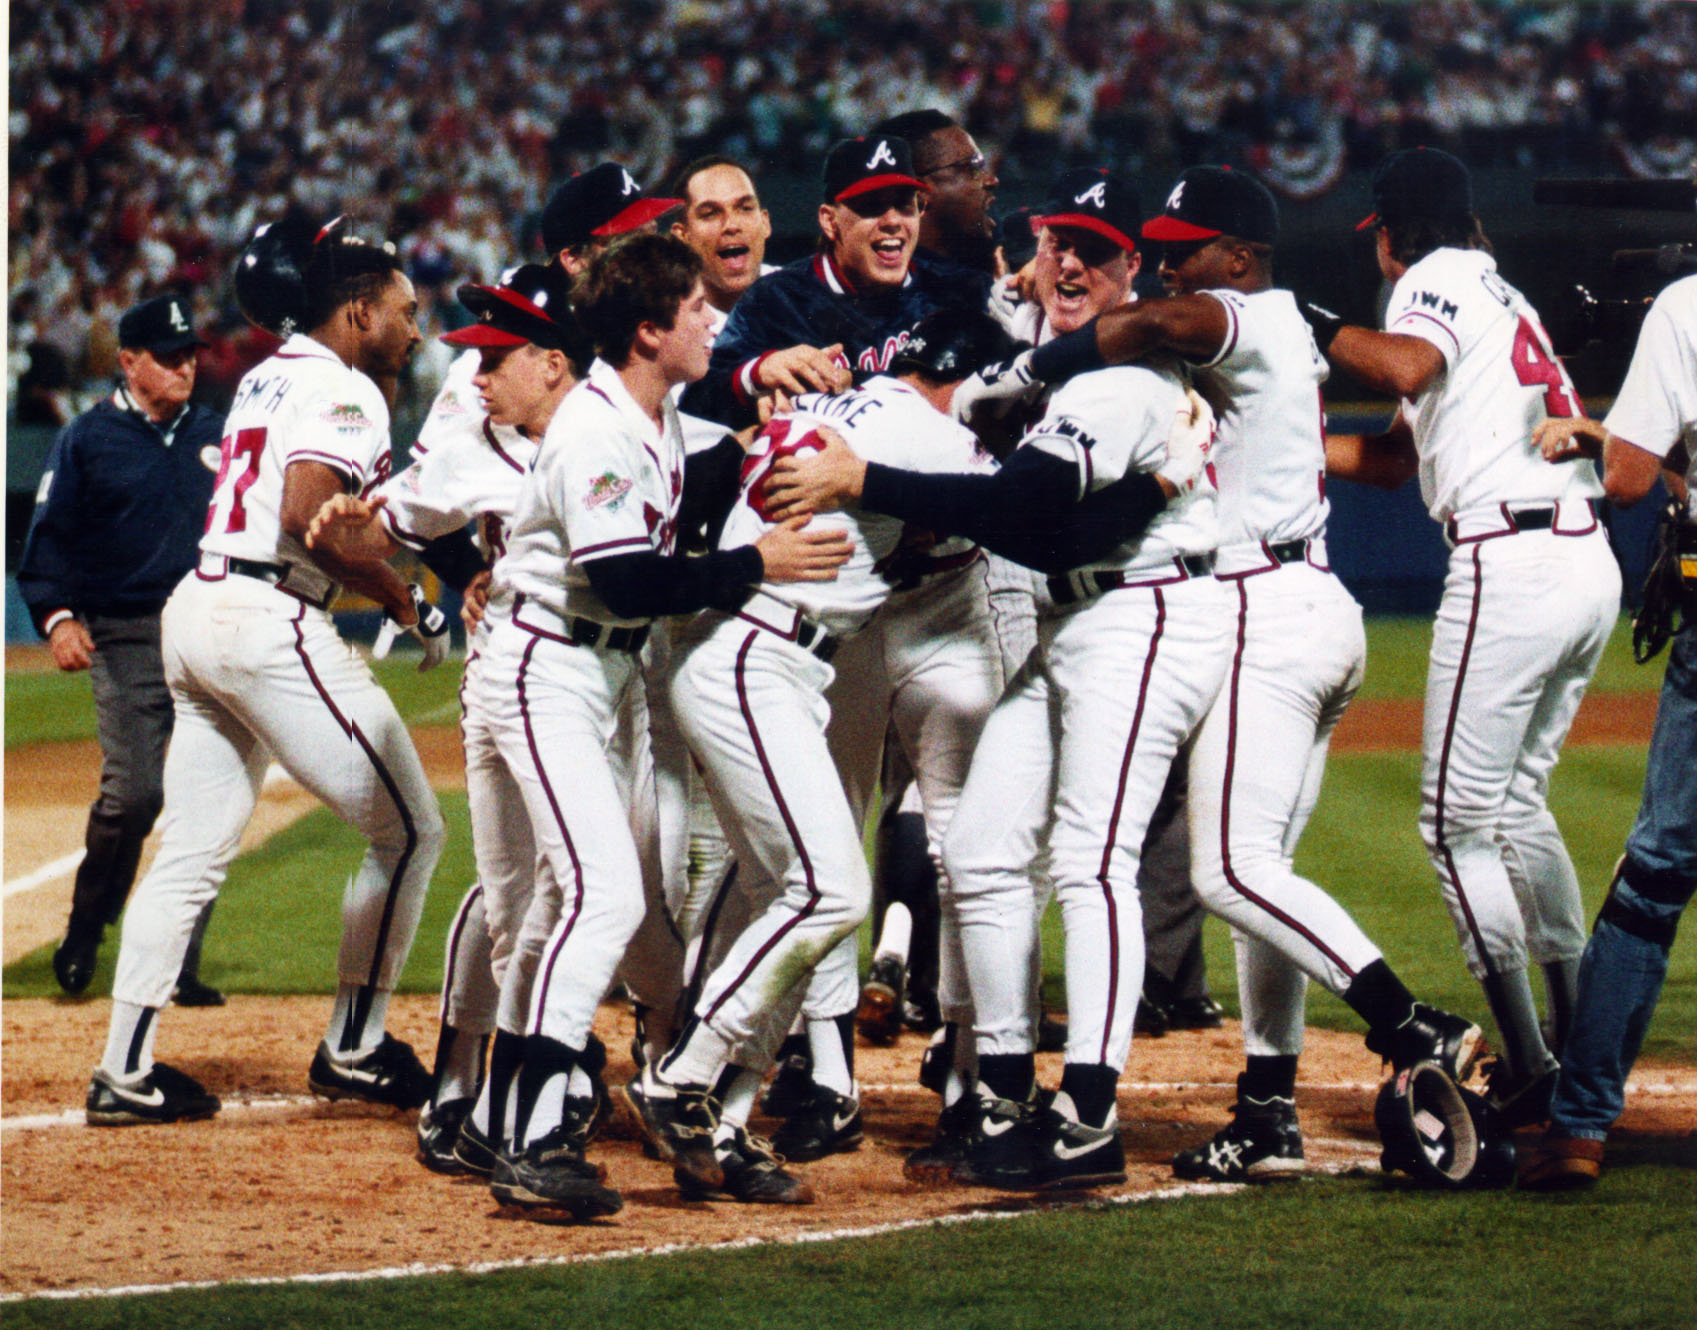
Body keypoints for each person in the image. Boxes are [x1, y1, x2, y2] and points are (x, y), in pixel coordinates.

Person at [988, 165, 1486, 1179]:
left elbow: (1139, 330)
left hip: (1265, 609)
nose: (1171, 258)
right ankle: (1266, 1106)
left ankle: (1411, 1025)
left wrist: (1026, 372)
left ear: (1242, 255)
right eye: (1164, 241)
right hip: (1306, 603)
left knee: (1226, 870)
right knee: (1265, 875)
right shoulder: (1271, 327)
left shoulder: (1243, 313)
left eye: (1191, 242)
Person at [763, 169, 1227, 1191]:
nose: (1066, 260)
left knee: (1091, 865)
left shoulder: (1119, 375)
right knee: (976, 847)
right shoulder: (1049, 359)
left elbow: (1023, 510)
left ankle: (1083, 1116)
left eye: (1092, 250)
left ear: (1132, 269)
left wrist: (863, 479)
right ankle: (997, 1087)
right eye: (1057, 241)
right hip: (1068, 609)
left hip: (1133, 611)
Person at [467, 232, 850, 1220]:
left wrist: (769, 442)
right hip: (546, 660)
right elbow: (628, 577)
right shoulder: (598, 427)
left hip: (581, 665)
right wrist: (755, 564)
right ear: (647, 328)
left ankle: (513, 1122)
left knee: (573, 902)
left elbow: (696, 479)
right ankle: (535, 1134)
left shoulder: (649, 411)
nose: (715, 322)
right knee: (599, 895)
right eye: (695, 311)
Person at [628, 308, 1027, 1202]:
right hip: (759, 660)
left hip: (742, 650)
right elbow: (1010, 511)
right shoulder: (927, 429)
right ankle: (680, 1078)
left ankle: (722, 1123)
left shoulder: (844, 411)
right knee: (832, 890)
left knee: (778, 891)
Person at [84, 220, 448, 1126]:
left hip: (199, 609)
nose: (415, 327)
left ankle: (123, 1071)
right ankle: (355, 1046)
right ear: (356, 311)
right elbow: (307, 512)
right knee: (412, 830)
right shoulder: (343, 388)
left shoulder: (270, 371)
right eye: (404, 311)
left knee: (192, 850)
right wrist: (404, 597)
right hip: (267, 617)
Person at [1314, 147, 1622, 1127]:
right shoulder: (1497, 292)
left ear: (1390, 235)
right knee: (1516, 804)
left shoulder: (1433, 279)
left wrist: (1307, 324)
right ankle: (1578, 1051)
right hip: (1578, 557)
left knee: (1452, 823)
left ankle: (1531, 1071)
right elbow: (1390, 458)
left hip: (1513, 559)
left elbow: (1402, 363)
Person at [304, 263, 591, 1176]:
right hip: (524, 674)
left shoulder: (623, 424)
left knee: (596, 890)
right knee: (535, 898)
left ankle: (568, 1076)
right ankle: (484, 1092)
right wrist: (364, 522)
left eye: (492, 354)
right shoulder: (477, 439)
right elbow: (389, 518)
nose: (471, 374)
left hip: (622, 682)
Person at [1520, 272, 1696, 1189]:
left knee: (1655, 875)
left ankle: (1578, 1126)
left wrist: (1598, 432)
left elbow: (1626, 479)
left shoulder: (1683, 304)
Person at [19, 294, 225, 1007]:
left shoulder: (218, 433)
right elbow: (45, 541)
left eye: (189, 354)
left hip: (208, 631)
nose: (184, 368)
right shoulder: (86, 438)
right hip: (127, 631)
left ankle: (179, 958)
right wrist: (58, 619)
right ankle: (86, 927)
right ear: (128, 362)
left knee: (207, 801)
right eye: (168, 358)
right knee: (135, 793)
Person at [679, 134, 990, 430]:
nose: (893, 221)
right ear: (830, 221)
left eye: (904, 205)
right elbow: (697, 401)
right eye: (871, 207)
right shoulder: (777, 299)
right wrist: (756, 373)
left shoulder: (959, 288)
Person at [668, 154, 777, 338]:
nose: (731, 225)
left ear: (765, 223)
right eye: (710, 213)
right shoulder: (664, 330)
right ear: (682, 236)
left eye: (745, 208)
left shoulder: (808, 297)